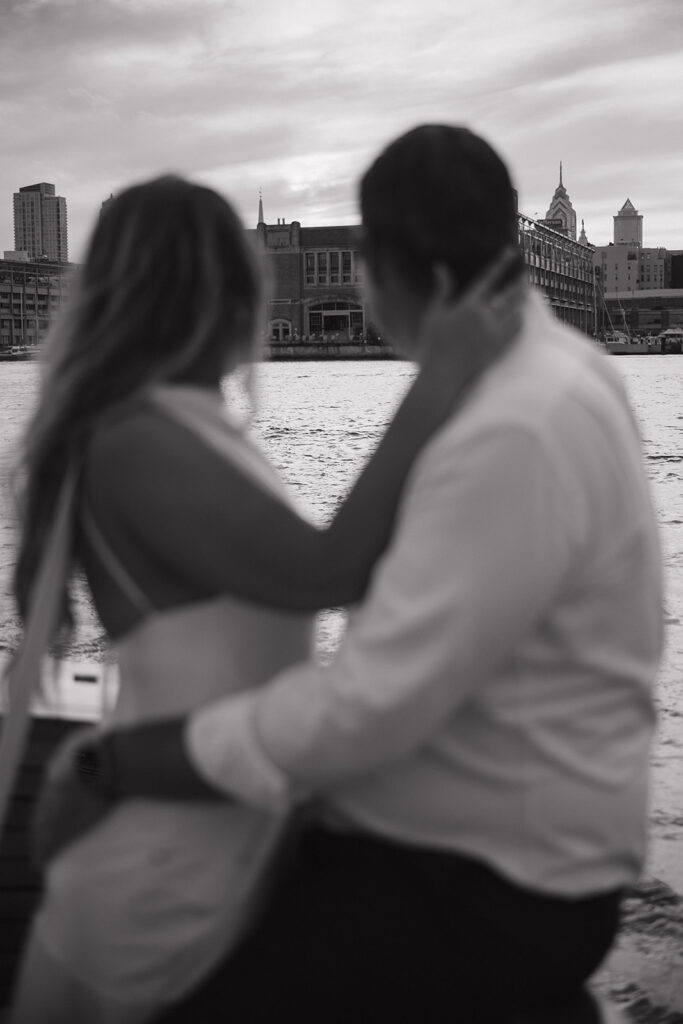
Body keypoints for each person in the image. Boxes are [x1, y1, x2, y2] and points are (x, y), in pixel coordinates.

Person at [32, 125, 663, 1023]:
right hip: (294, 837)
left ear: (418, 279)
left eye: (365, 263)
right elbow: (336, 584)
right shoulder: (567, 375)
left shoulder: (508, 425)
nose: (356, 288)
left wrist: (122, 760)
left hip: (470, 868)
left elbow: (364, 689)